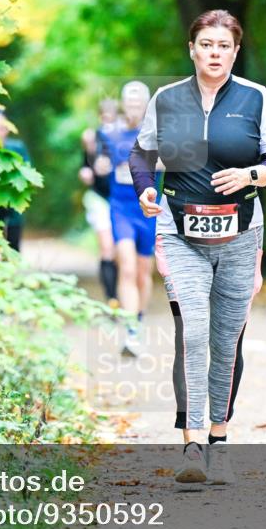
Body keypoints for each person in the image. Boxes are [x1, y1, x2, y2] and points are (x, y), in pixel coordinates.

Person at [128, 10, 266, 484]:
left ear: (235, 52)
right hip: (181, 234)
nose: (214, 53)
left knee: (227, 340)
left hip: (241, 235)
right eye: (206, 44)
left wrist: (253, 175)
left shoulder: (255, 98)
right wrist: (145, 188)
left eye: (224, 45)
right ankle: (193, 445)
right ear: (192, 49)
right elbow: (142, 153)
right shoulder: (168, 98)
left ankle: (219, 439)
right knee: (193, 333)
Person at [100, 81, 160, 358]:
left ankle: (140, 317)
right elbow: (101, 162)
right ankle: (132, 331)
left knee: (142, 272)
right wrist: (99, 166)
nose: (134, 107)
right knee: (125, 267)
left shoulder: (156, 134)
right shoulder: (110, 134)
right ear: (124, 104)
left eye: (139, 103)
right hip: (120, 207)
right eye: (130, 102)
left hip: (147, 209)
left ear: (146, 105)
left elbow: (170, 163)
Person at [79, 99, 120, 305]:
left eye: (112, 119)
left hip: (122, 199)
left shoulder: (126, 138)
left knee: (122, 249)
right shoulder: (92, 138)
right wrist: (86, 171)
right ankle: (112, 298)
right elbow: (85, 165)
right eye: (104, 119)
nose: (108, 123)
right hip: (98, 198)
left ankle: (123, 293)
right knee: (107, 248)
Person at [0, 110, 31, 252]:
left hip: (13, 207)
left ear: (7, 129)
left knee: (13, 248)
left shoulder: (17, 148)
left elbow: (28, 173)